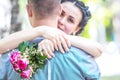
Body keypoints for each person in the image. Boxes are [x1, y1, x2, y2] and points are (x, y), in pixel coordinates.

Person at [0, 0, 100, 80]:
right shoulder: (18, 47)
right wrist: (41, 30)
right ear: (58, 10)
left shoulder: (82, 55)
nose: (61, 21)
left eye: (71, 20)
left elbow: (99, 49)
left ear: (77, 29)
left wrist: (55, 38)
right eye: (62, 14)